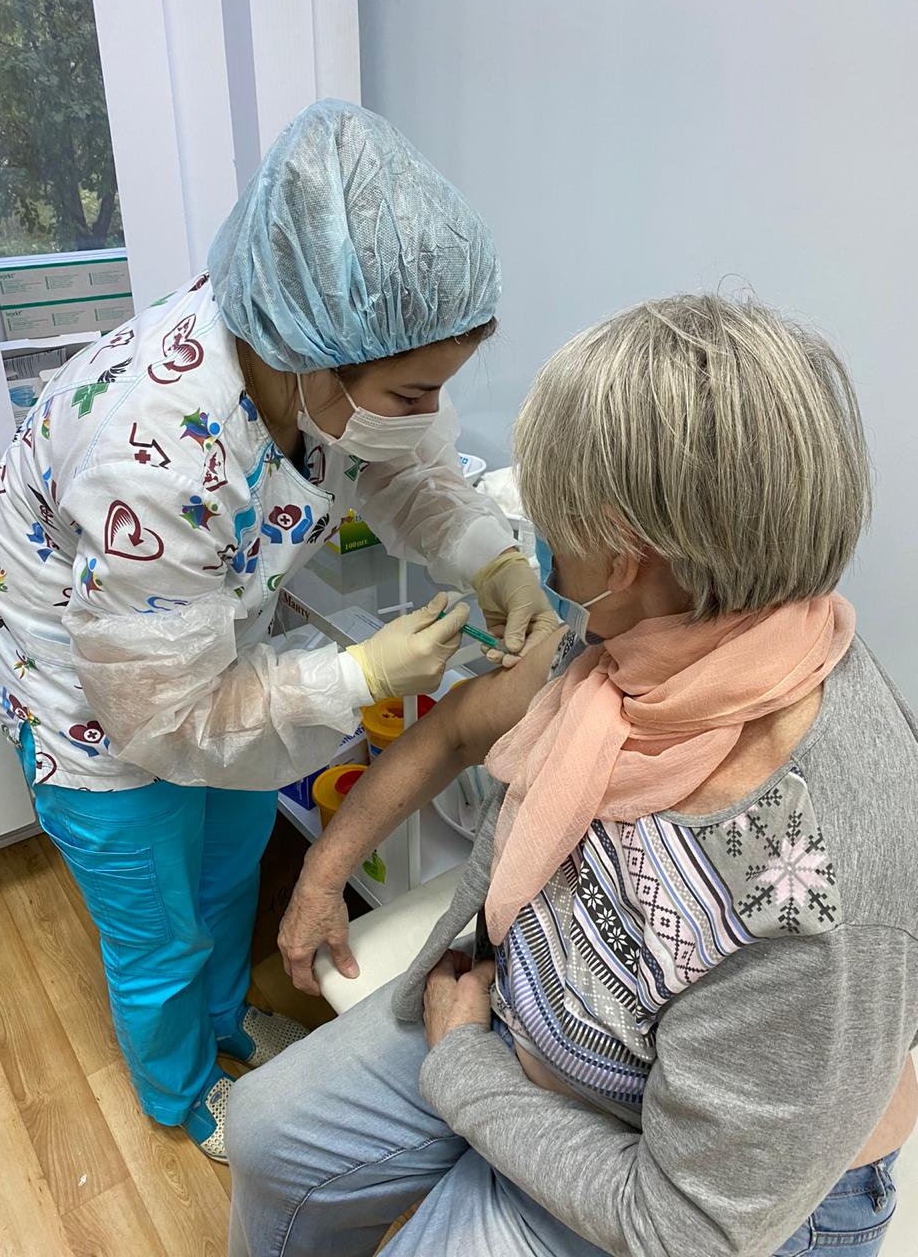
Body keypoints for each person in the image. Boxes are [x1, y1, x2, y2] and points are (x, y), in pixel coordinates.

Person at [229, 294, 918, 1256]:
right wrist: (320, 874)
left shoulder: (807, 883)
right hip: (521, 1012)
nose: (540, 549)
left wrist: (464, 1070)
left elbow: (686, 1225)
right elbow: (459, 729)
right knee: (264, 1129)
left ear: (627, 553)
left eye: (551, 526)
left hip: (691, 1186)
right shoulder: (640, 641)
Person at [0, 99, 556, 1160]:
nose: (428, 415)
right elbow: (158, 715)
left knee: (229, 866)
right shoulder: (153, 458)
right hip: (87, 695)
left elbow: (398, 462)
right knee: (160, 929)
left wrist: (490, 554)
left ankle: (225, 1019)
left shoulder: (305, 346)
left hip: (201, 639)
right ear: (310, 358)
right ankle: (182, 1093)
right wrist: (358, 675)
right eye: (412, 392)